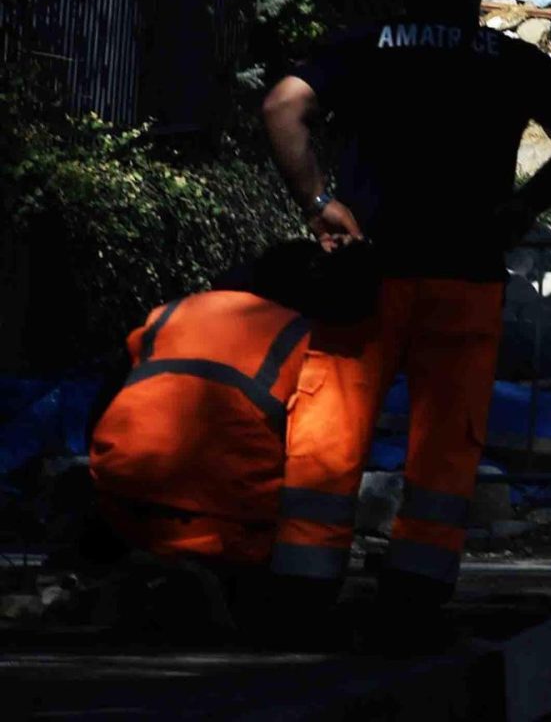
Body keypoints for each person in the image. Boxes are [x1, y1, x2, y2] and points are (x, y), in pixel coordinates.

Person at [259, 0, 551, 639]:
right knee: (446, 442)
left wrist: (319, 201)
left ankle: (301, 587)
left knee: (330, 429)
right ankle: (416, 594)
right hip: (466, 273)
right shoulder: (510, 60)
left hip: (368, 269)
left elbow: (281, 106)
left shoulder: (363, 47)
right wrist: (521, 206)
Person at [88, 240, 379, 572]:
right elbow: (319, 465)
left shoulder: (169, 313)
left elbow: (102, 408)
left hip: (118, 501)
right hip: (224, 524)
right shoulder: (308, 340)